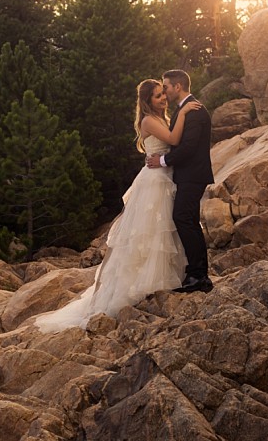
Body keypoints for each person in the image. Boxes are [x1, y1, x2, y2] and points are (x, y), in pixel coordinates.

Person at [35, 79, 201, 332]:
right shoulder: (148, 120)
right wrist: (185, 112)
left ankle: (173, 275)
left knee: (167, 226)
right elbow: (173, 138)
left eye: (162, 94)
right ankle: (143, 282)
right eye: (157, 96)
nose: (162, 99)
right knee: (149, 231)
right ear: (147, 101)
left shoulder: (161, 117)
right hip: (154, 181)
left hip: (165, 176)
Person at [146, 69, 214, 293]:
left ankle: (198, 275)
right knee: (188, 220)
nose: (164, 91)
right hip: (187, 175)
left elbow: (188, 147)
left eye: (165, 87)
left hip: (193, 175)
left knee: (183, 218)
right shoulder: (184, 109)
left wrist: (163, 160)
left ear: (177, 86)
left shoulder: (194, 110)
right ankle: (196, 273)